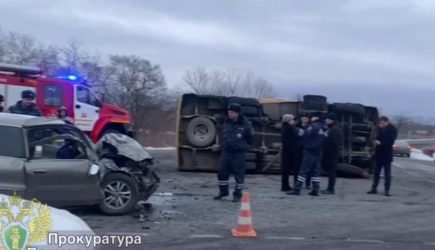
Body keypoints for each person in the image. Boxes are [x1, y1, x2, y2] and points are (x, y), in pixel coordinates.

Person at [214, 102, 254, 202]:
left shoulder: (245, 124)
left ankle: (237, 194)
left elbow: (250, 138)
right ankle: (223, 192)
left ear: (238, 113)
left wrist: (243, 146)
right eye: (229, 112)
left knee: (239, 174)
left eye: (232, 113)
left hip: (238, 153)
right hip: (227, 151)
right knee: (222, 172)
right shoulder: (227, 122)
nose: (230, 114)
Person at [288, 112, 327, 196]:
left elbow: (303, 133)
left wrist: (292, 127)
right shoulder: (325, 127)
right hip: (319, 151)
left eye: (312, 117)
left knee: (303, 170)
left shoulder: (313, 126)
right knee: (315, 171)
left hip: (310, 150)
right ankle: (316, 189)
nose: (311, 118)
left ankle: (297, 189)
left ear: (316, 117)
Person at [367, 116, 398, 196]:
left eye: (382, 123)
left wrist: (381, 143)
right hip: (378, 154)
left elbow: (390, 142)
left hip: (387, 154)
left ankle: (387, 190)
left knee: (387, 174)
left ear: (387, 122)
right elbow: (374, 137)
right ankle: (374, 188)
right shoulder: (379, 129)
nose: (381, 124)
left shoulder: (392, 130)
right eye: (380, 123)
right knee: (376, 173)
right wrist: (375, 140)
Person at [321, 113, 343, 194]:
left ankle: (331, 189)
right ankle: (329, 188)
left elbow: (335, 143)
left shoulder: (334, 130)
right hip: (330, 153)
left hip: (332, 154)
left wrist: (326, 147)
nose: (325, 120)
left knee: (331, 172)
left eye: (327, 119)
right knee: (330, 171)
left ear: (332, 120)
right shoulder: (331, 128)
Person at [294, 113, 313, 190]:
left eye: (306, 118)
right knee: (297, 167)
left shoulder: (311, 128)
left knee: (308, 167)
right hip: (298, 149)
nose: (304, 120)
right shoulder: (297, 127)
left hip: (307, 149)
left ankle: (307, 183)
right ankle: (296, 183)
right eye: (303, 118)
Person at [280, 114, 298, 191]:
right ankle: (285, 186)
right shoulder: (290, 128)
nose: (293, 121)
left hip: (285, 150)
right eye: (292, 119)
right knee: (286, 169)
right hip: (289, 151)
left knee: (285, 169)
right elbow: (294, 138)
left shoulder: (284, 127)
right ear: (289, 120)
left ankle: (285, 185)